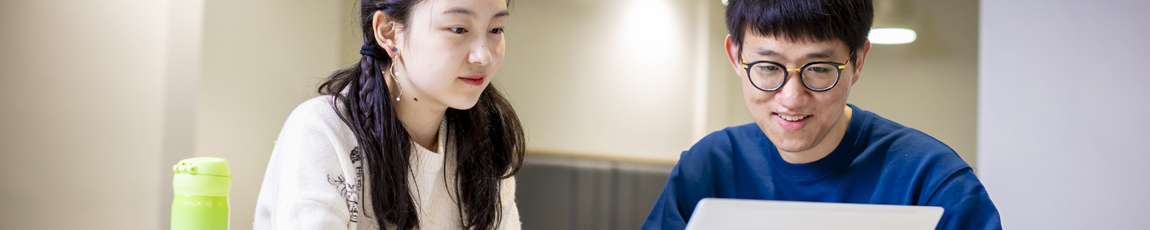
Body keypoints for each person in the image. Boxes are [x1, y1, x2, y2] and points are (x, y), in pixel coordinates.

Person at [641, 0, 1001, 229]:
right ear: (736, 56)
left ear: (858, 61)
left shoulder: (929, 180)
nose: (792, 99)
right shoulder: (708, 168)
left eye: (819, 69)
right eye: (768, 67)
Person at [253, 0, 524, 229]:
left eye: (495, 29)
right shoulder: (322, 131)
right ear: (388, 32)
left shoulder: (487, 140)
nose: (483, 56)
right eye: (458, 29)